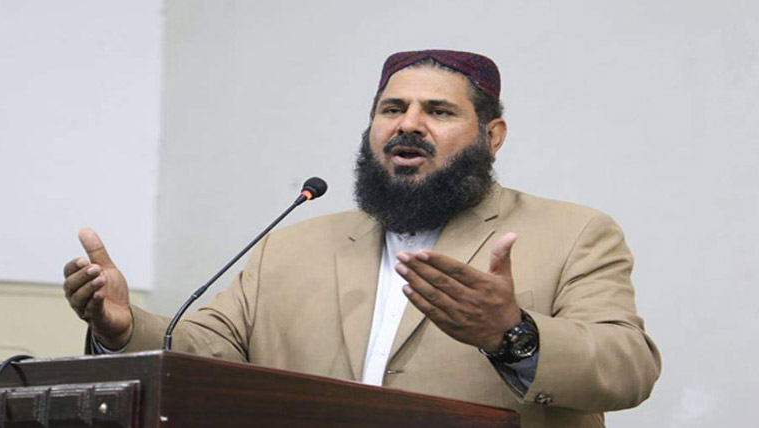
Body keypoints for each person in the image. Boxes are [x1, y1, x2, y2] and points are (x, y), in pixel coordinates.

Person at [62, 50, 661, 428]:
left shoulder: (574, 231)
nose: (408, 124)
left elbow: (628, 369)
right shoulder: (294, 245)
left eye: (439, 112)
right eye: (392, 108)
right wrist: (122, 328)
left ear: (492, 135)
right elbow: (203, 348)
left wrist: (511, 333)